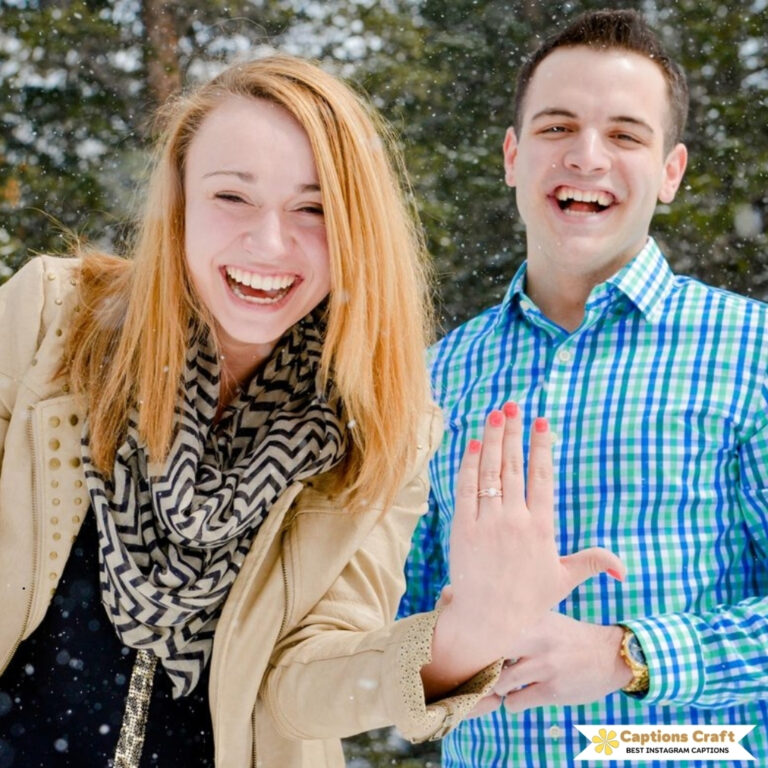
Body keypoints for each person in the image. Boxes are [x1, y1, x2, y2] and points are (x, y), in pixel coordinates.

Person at [0, 55, 622, 768]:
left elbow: (302, 684)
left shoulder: (381, 419)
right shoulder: (52, 320)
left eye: (314, 208)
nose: (270, 244)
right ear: (178, 203)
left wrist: (465, 641)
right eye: (232, 197)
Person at [400, 8, 768, 767]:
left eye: (626, 135)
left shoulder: (752, 354)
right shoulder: (434, 379)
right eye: (557, 128)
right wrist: (445, 660)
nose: (586, 157)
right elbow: (395, 665)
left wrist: (627, 656)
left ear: (671, 172)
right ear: (512, 156)